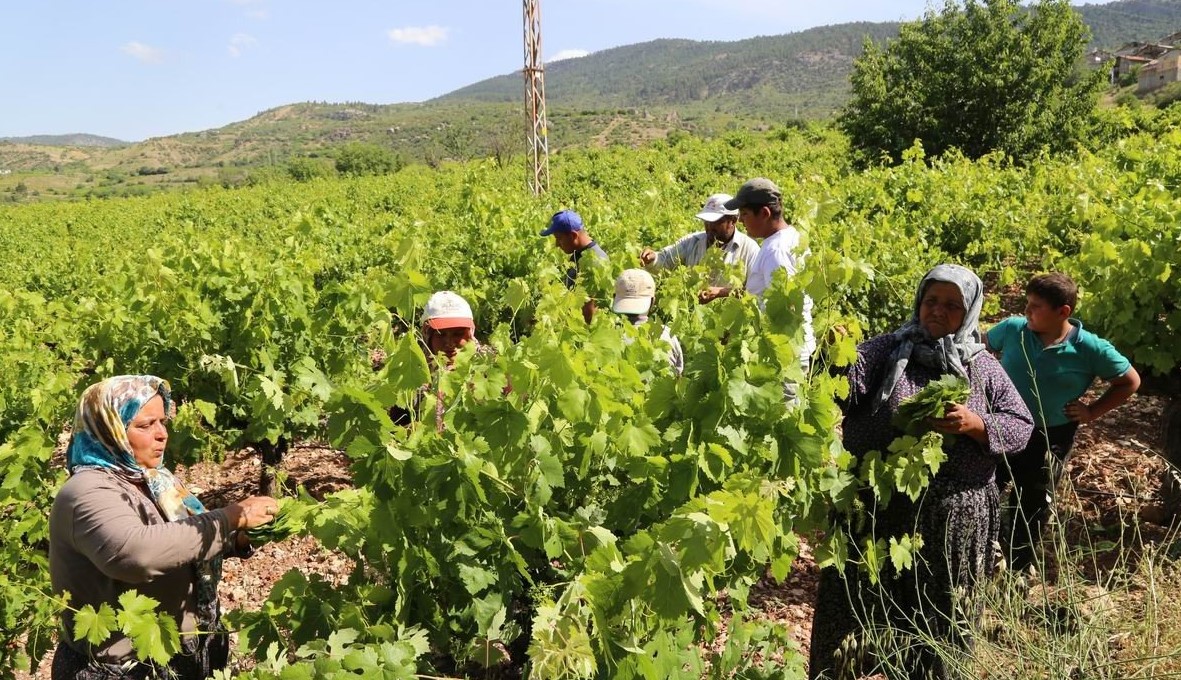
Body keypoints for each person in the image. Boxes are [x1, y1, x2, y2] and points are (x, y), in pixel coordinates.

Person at [809, 264, 1034, 680]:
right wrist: (833, 350)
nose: (937, 311)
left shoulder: (981, 366)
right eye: (931, 301)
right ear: (918, 302)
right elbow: (845, 381)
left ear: (968, 312)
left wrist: (976, 424)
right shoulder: (886, 350)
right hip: (875, 510)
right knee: (854, 614)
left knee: (939, 622)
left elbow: (1020, 424)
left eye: (952, 305)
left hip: (951, 520)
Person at [49, 375, 277, 680]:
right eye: (145, 425)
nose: (162, 435)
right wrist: (229, 517)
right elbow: (136, 555)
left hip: (186, 649)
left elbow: (181, 540)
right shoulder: (87, 492)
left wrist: (237, 539)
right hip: (124, 669)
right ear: (108, 429)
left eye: (162, 422)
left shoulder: (154, 479)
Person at [986, 272, 1141, 572]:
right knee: (986, 486)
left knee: (1032, 500)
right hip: (1000, 426)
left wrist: (1092, 411)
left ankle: (1019, 568)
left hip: (1049, 434)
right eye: (1027, 303)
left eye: (1036, 306)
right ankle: (985, 552)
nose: (1027, 311)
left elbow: (1130, 381)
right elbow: (980, 349)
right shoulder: (1013, 329)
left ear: (1063, 312)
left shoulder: (1090, 348)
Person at [701, 178, 815, 363]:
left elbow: (785, 309)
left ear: (764, 213)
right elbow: (765, 294)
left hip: (782, 353)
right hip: (788, 349)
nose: (740, 221)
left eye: (744, 214)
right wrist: (722, 292)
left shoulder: (775, 252)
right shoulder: (791, 237)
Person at [639, 193, 760, 279]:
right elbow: (666, 259)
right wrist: (653, 258)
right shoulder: (692, 241)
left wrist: (722, 293)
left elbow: (754, 291)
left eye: (716, 221)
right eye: (706, 221)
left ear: (733, 220)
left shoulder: (749, 249)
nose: (709, 226)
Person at [611, 268, 684, 376]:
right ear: (653, 301)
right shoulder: (667, 335)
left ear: (615, 298)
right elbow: (678, 377)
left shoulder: (610, 335)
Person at [540, 209, 608, 323]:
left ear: (573, 235)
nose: (557, 244)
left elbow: (589, 311)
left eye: (559, 238)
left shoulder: (594, 261)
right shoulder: (580, 254)